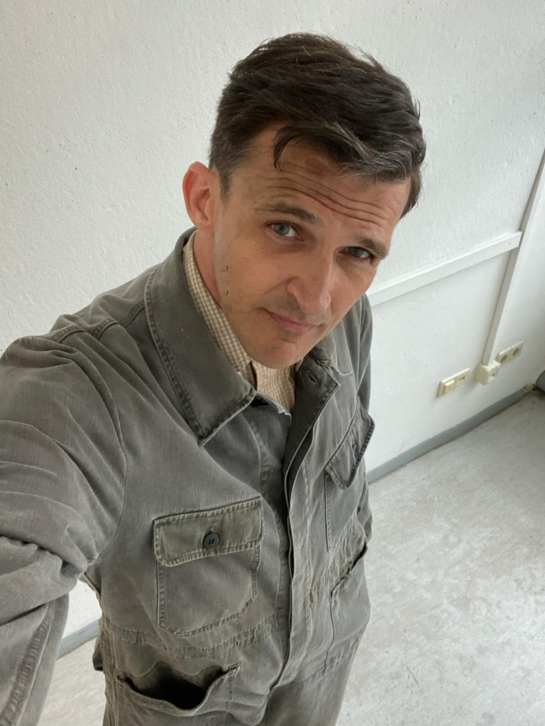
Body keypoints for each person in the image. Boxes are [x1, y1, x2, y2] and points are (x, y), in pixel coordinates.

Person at [0, 32, 425, 726]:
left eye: (357, 252)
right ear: (204, 196)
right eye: (286, 228)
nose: (317, 299)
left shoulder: (349, 321)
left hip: (322, 681)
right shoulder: (76, 399)